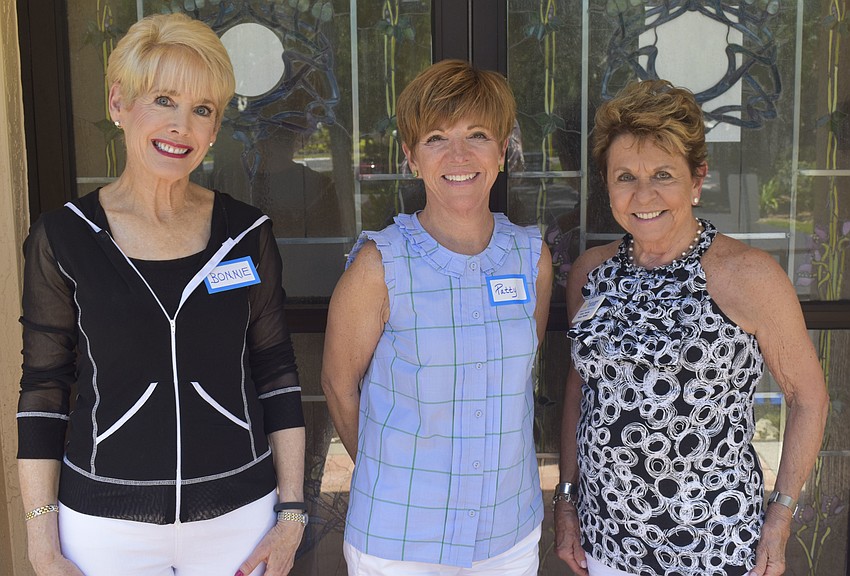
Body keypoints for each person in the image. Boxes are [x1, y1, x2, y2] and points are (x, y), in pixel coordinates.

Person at [17, 13, 306, 576]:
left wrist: (290, 515)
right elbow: (44, 389)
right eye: (163, 100)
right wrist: (41, 541)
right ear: (118, 103)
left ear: (216, 128)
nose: (182, 126)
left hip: (238, 517)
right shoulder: (66, 237)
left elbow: (277, 372)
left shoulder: (245, 234)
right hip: (104, 527)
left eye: (202, 110)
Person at [553, 78, 829, 576]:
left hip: (713, 546)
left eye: (663, 174)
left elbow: (809, 398)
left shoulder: (748, 275)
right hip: (605, 543)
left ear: (697, 179)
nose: (644, 195)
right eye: (625, 177)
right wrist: (567, 503)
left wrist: (780, 518)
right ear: (607, 185)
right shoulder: (592, 272)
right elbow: (580, 392)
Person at [322, 59, 553, 575]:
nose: (459, 155)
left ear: (501, 151)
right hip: (401, 537)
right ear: (411, 156)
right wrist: (391, 475)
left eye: (477, 135)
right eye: (435, 138)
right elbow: (339, 385)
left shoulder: (530, 257)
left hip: (507, 533)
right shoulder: (378, 265)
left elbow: (522, 373)